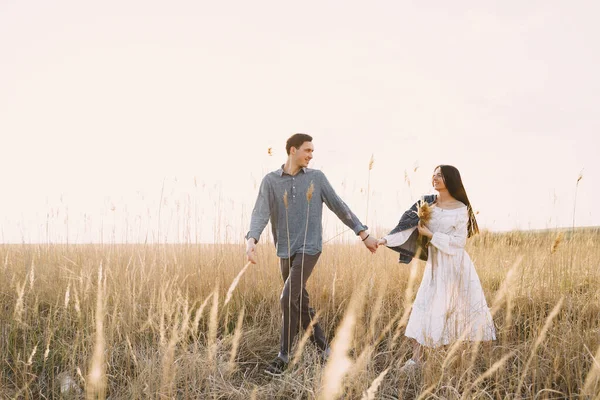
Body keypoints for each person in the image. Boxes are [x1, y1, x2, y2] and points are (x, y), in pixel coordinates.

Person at [246, 133, 379, 376]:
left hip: (310, 247)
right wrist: (251, 240)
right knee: (299, 301)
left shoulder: (316, 178)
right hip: (285, 249)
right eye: (307, 150)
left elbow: (339, 206)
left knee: (287, 296)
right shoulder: (270, 181)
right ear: (292, 150)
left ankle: (283, 356)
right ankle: (325, 349)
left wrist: (363, 233)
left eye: (312, 152)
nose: (311, 155)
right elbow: (260, 212)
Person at [377, 165, 496, 370]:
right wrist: (385, 240)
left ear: (450, 179)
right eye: (434, 174)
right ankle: (417, 360)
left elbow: (459, 242)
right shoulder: (426, 204)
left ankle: (479, 361)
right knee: (422, 308)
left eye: (439, 174)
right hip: (435, 267)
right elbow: (405, 227)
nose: (435, 177)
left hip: (457, 266)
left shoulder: (461, 208)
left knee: (465, 309)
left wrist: (431, 236)